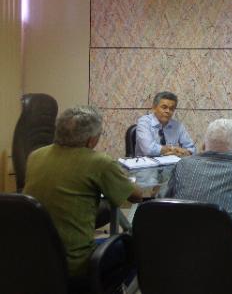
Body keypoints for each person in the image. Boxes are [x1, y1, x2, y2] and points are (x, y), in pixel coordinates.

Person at [24, 106, 143, 282]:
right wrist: (120, 174)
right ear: (91, 140)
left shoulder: (35, 156)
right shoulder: (99, 162)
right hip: (76, 265)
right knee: (137, 248)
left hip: (33, 259)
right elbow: (137, 196)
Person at [164, 118, 232, 285]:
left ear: (203, 147)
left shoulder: (182, 166)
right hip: (229, 271)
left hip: (179, 266)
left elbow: (166, 199)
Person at [136, 91, 196, 157]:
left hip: (171, 164)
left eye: (171, 109)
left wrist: (185, 153)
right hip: (146, 165)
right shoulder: (144, 122)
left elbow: (192, 149)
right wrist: (174, 149)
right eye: (164, 107)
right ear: (154, 107)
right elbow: (148, 150)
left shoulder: (178, 126)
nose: (168, 111)